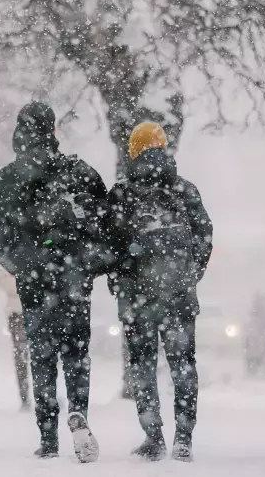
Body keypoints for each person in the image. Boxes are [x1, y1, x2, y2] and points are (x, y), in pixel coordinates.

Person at [0, 101, 110, 462]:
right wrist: (84, 266)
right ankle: (79, 412)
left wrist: (26, 266)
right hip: (73, 282)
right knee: (76, 354)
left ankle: (48, 435)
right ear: (53, 131)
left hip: (36, 286)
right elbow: (106, 228)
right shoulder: (78, 171)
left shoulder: (10, 178)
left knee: (41, 357)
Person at [106, 122, 213, 462]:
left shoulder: (122, 194)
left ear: (133, 151)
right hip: (178, 295)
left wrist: (122, 272)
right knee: (183, 364)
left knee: (142, 365)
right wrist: (189, 275)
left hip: (137, 299)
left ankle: (153, 436)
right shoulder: (184, 190)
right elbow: (205, 236)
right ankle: (184, 437)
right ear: (164, 147)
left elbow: (109, 244)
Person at [0, 269, 31, 411]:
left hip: (28, 310)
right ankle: (25, 395)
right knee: (21, 356)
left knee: (27, 356)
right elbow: (1, 280)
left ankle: (35, 394)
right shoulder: (7, 262)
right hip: (17, 313)